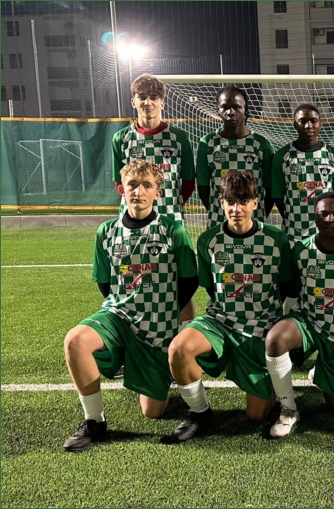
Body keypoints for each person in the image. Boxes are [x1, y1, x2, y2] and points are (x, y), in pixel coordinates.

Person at [63, 160, 198, 451]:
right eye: (132, 185)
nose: (138, 191)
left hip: (157, 329)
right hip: (118, 317)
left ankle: (161, 369)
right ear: (121, 190)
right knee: (75, 340)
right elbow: (104, 282)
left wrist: (165, 315)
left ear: (157, 193)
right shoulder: (106, 231)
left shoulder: (173, 230)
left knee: (152, 412)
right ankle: (94, 421)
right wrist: (125, 305)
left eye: (147, 185)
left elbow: (189, 281)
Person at [162, 171, 295, 443]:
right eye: (231, 202)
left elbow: (285, 286)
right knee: (178, 348)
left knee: (257, 415)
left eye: (244, 201)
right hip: (219, 321)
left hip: (259, 328)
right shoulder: (208, 241)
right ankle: (199, 412)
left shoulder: (276, 240)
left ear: (255, 203)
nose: (237, 209)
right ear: (221, 203)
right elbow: (211, 288)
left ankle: (267, 386)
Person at [265, 192, 334, 438]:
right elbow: (293, 289)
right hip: (307, 321)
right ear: (315, 218)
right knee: (275, 339)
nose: (329, 219)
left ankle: (322, 370)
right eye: (323, 214)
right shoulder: (300, 251)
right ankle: (288, 409)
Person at [111, 73, 197, 326]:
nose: (148, 102)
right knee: (133, 275)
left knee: (178, 276)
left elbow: (188, 182)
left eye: (154, 97)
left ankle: (183, 336)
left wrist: (168, 205)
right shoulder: (121, 139)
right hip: (133, 222)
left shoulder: (178, 138)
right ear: (133, 101)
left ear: (162, 102)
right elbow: (118, 183)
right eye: (142, 97)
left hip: (170, 218)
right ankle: (133, 329)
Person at [272, 103, 334, 314]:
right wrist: (295, 220)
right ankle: (288, 324)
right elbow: (278, 196)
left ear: (320, 123)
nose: (308, 125)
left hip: (325, 237)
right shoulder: (283, 156)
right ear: (294, 124)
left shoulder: (332, 156)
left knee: (324, 286)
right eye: (302, 121)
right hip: (293, 236)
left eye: (313, 120)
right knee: (292, 288)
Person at [196, 85, 274, 229]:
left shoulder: (261, 144)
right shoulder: (207, 143)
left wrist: (258, 214)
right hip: (219, 222)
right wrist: (219, 212)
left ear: (246, 110)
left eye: (237, 107)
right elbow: (203, 187)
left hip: (254, 223)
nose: (231, 112)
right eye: (225, 107)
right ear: (218, 110)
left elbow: (270, 189)